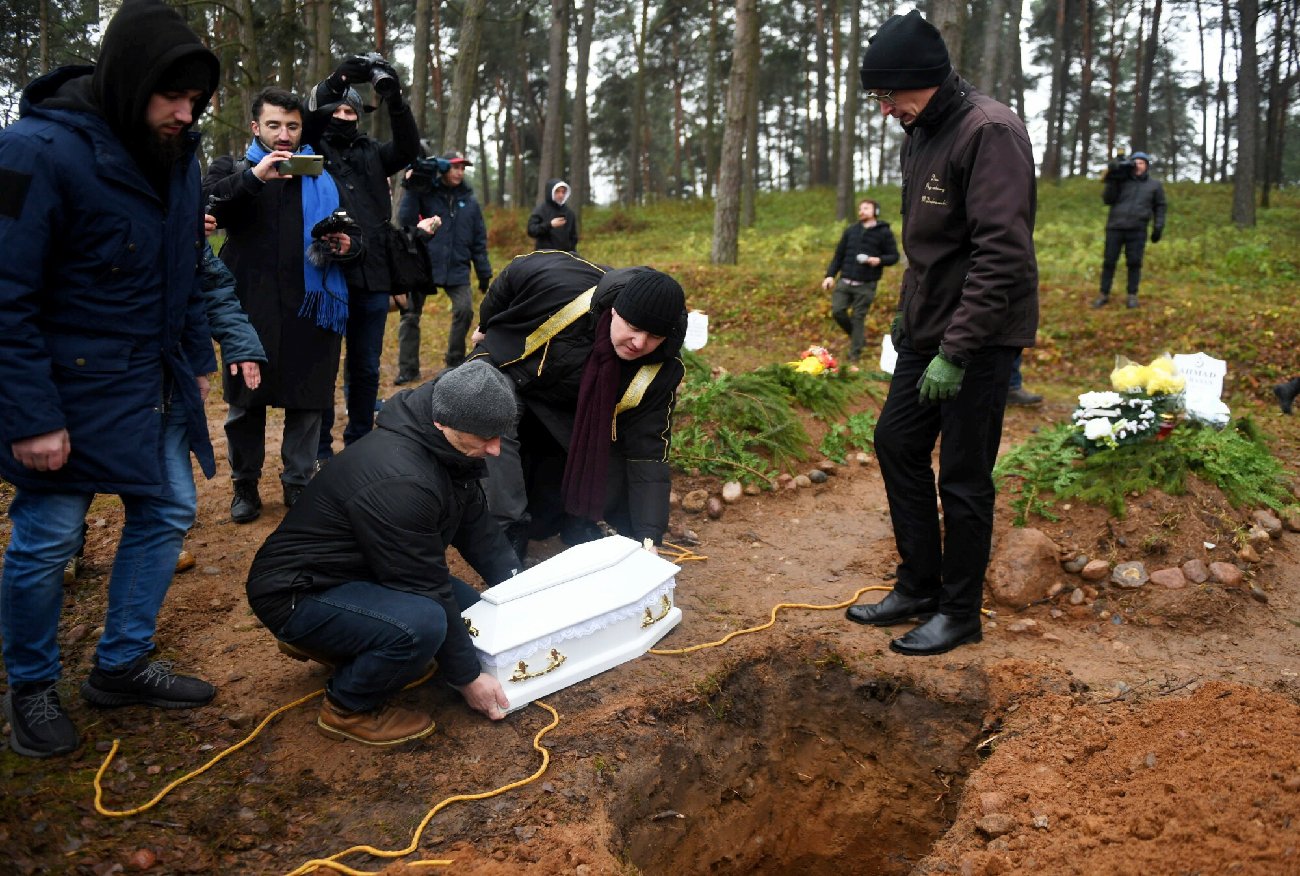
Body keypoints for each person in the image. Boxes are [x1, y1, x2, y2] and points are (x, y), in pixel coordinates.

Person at [0, 0, 222, 758]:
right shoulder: (30, 153)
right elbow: (4, 294)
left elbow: (183, 274)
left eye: (195, 102)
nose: (184, 114)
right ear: (129, 80)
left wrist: (195, 365)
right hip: (65, 394)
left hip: (153, 384)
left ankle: (120, 666)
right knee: (49, 539)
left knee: (167, 514)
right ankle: (30, 686)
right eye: (172, 96)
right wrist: (30, 415)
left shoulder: (179, 157)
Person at [844, 10, 1038, 656]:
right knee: (896, 441)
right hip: (928, 327)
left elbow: (1000, 254)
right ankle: (920, 584)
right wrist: (908, 314)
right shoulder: (920, 131)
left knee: (963, 474)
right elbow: (928, 247)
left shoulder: (990, 132)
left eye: (890, 96)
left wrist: (956, 350)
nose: (885, 109)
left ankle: (960, 612)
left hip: (979, 338)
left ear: (922, 80)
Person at [245, 361, 519, 745]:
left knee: (474, 609)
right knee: (423, 625)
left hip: (361, 569)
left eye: (499, 435)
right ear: (444, 423)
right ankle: (348, 706)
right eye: (486, 437)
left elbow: (480, 532)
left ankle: (346, 635)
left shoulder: (448, 446)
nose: (495, 448)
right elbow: (426, 587)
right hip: (297, 591)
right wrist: (468, 678)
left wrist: (519, 595)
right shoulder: (402, 479)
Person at [466, 250, 687, 562]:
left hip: (571, 414)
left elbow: (647, 450)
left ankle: (579, 518)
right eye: (633, 328)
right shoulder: (564, 286)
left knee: (557, 509)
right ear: (614, 311)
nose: (639, 343)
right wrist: (487, 322)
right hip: (514, 376)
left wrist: (649, 536)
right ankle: (508, 531)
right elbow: (514, 271)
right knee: (493, 409)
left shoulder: (660, 369)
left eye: (653, 336)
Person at [203, 87, 360, 524]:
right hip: (248, 304)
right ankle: (245, 485)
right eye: (274, 125)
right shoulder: (232, 168)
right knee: (245, 401)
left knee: (308, 400)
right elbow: (209, 202)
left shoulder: (322, 175)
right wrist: (256, 176)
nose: (284, 134)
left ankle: (298, 482)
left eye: (292, 125)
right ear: (257, 127)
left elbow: (356, 232)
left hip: (312, 304)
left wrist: (346, 245)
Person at [305, 55, 420, 460]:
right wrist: (337, 80)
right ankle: (319, 449)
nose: (345, 114)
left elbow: (408, 147)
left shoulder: (373, 152)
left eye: (351, 108)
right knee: (321, 366)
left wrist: (396, 101)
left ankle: (358, 442)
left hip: (373, 275)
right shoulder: (311, 147)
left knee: (366, 366)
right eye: (338, 107)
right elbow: (311, 119)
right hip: (328, 274)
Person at [395, 149, 492, 380]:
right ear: (444, 168)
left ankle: (455, 361)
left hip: (457, 267)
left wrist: (484, 272)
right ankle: (408, 369)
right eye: (454, 167)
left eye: (462, 168)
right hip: (423, 264)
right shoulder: (426, 192)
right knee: (409, 315)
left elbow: (478, 240)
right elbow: (405, 220)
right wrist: (411, 188)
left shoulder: (469, 201)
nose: (459, 172)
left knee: (465, 310)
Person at [821, 198, 899, 363]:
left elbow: (894, 256)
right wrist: (829, 276)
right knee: (837, 311)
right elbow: (839, 255)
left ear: (875, 211)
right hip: (845, 281)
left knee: (858, 318)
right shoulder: (851, 230)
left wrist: (878, 260)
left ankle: (854, 354)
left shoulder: (884, 232)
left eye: (866, 208)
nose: (861, 211)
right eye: (860, 208)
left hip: (866, 284)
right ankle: (859, 338)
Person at [1092, 150, 1166, 309]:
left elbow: (1160, 207)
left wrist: (1158, 226)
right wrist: (1112, 178)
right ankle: (1103, 294)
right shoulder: (1121, 181)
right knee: (1109, 262)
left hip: (1138, 229)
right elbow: (1107, 200)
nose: (1138, 166)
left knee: (1134, 263)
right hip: (1115, 227)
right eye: (1135, 163)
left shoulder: (1154, 185)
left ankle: (1132, 295)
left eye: (1141, 163)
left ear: (1147, 166)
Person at [527, 179, 579, 252]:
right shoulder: (541, 210)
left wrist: (572, 255)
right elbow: (531, 231)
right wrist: (550, 225)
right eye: (557, 191)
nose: (561, 195)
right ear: (550, 192)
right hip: (545, 256)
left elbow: (573, 237)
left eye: (563, 192)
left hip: (564, 257)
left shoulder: (569, 213)